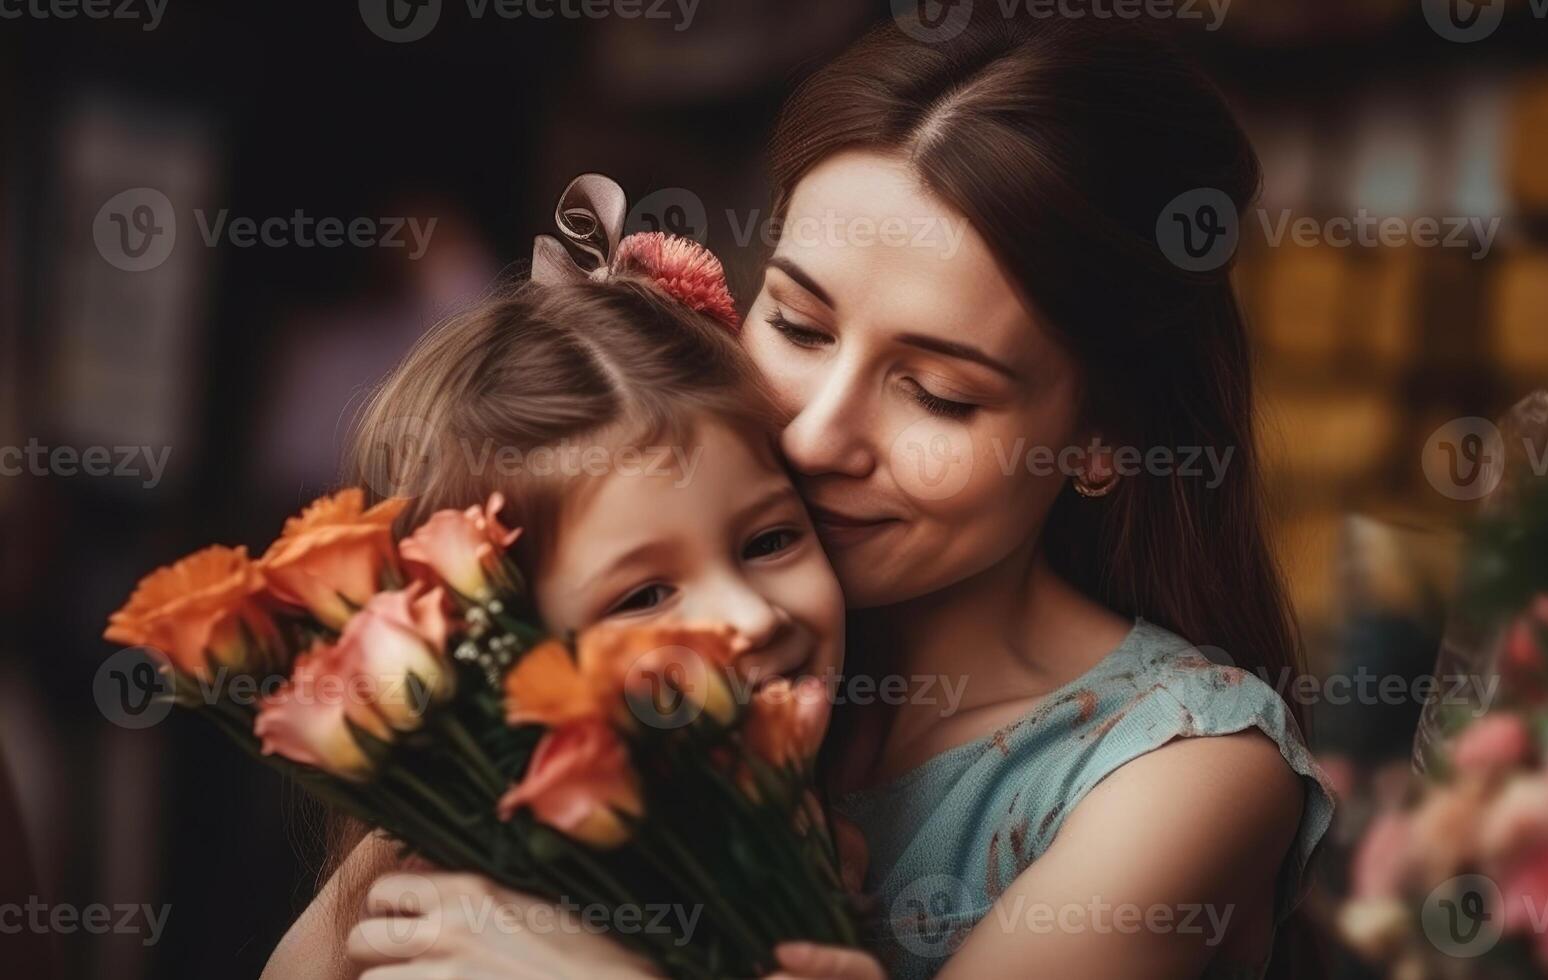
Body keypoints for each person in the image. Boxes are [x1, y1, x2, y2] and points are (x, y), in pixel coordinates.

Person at [348, 12, 1337, 979]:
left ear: (1102, 439)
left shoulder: (1180, 773)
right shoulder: (649, 660)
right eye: (800, 326)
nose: (817, 433)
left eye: (938, 393)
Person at [260, 227, 847, 980]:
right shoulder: (477, 929)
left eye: (769, 541)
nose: (749, 616)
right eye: (643, 595)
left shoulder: (799, 840)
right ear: (500, 667)